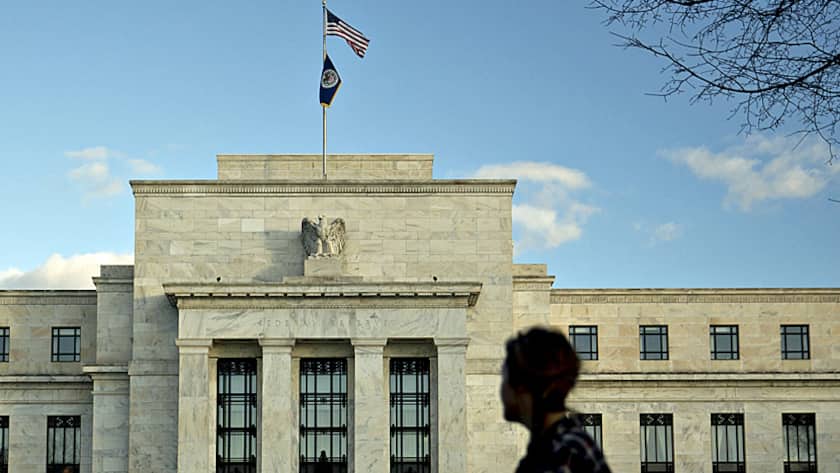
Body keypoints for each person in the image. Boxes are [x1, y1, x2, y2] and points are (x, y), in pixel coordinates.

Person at [501, 327, 611, 473]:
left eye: (505, 379)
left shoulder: (561, 455)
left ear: (524, 388)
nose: (501, 390)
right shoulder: (560, 446)